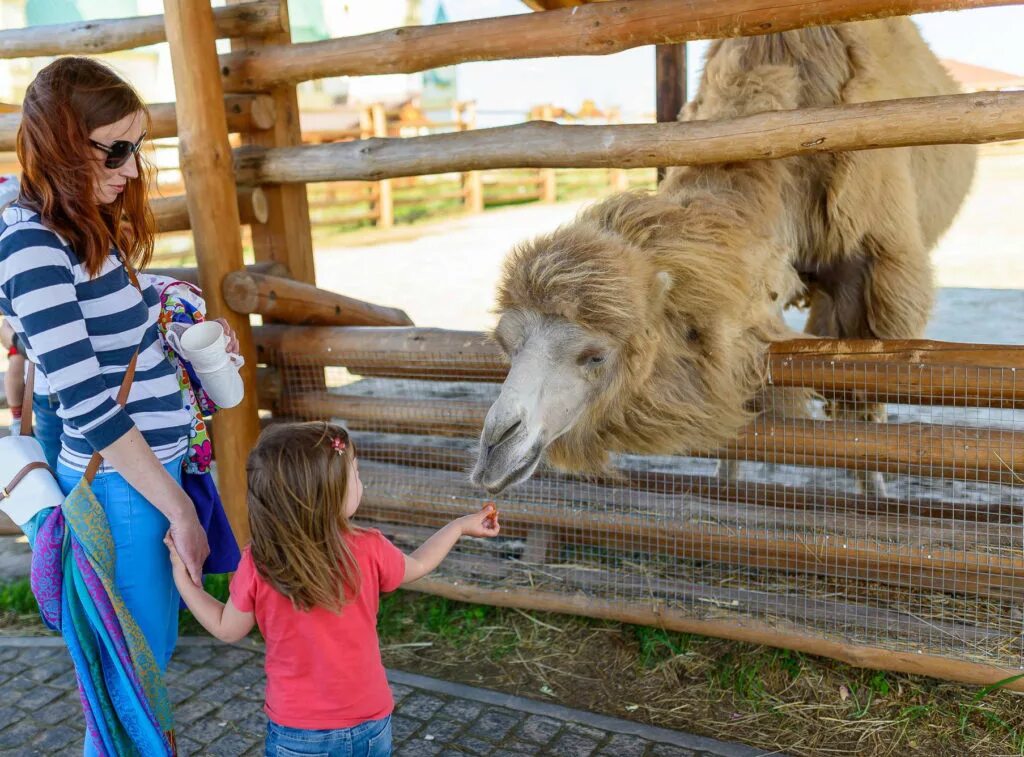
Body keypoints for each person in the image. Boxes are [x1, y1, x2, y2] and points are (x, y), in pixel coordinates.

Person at [0, 57, 228, 750]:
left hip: (147, 478)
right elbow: (92, 405)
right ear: (67, 141)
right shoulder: (32, 242)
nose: (132, 168)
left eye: (137, 147)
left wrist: (172, 319)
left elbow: (57, 340)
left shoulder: (70, 222)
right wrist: (179, 508)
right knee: (130, 685)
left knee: (137, 677)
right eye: (118, 149)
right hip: (125, 492)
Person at [166, 421, 502, 757]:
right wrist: (457, 527)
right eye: (354, 473)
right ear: (328, 491)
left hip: (300, 733)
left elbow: (227, 629)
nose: (360, 481)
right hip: (371, 723)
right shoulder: (369, 547)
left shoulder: (261, 562)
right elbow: (419, 564)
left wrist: (183, 580)